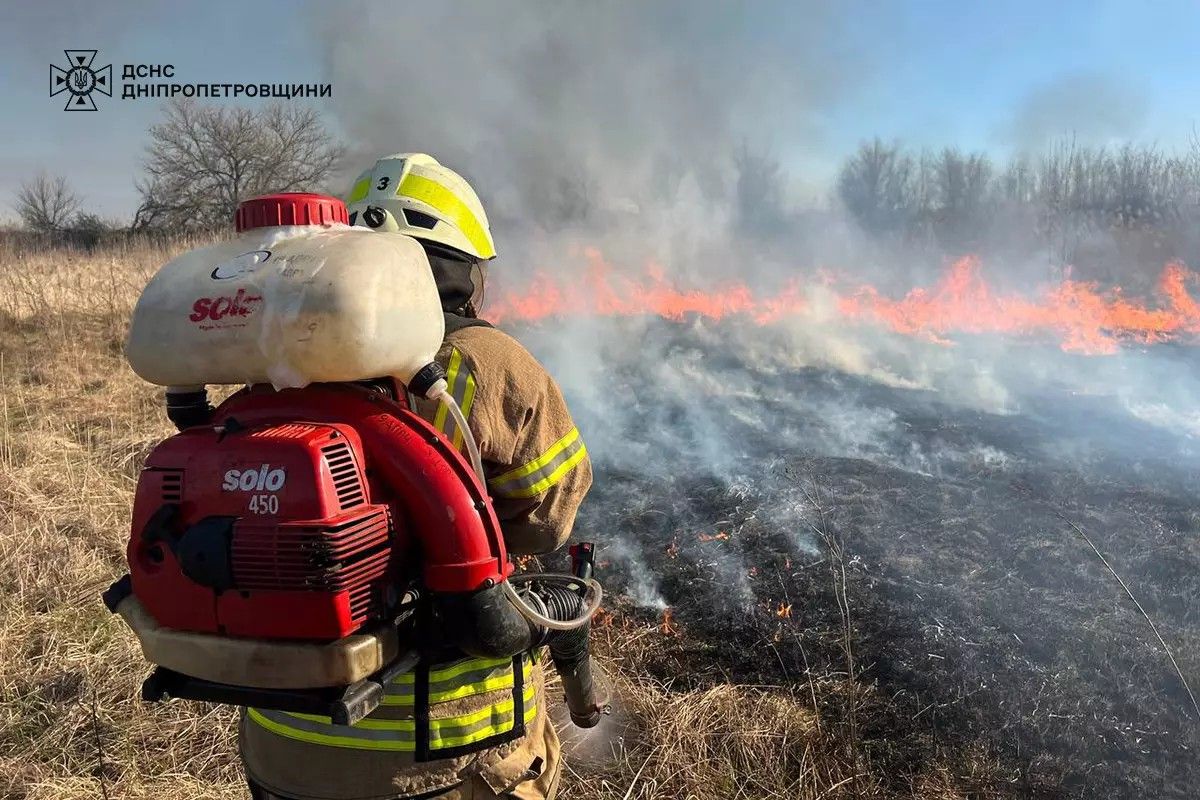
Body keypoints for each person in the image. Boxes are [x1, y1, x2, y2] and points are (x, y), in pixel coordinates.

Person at [239, 153, 592, 800]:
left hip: (282, 745)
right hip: (447, 759)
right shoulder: (489, 362)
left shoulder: (282, 354)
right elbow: (550, 516)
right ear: (461, 270)